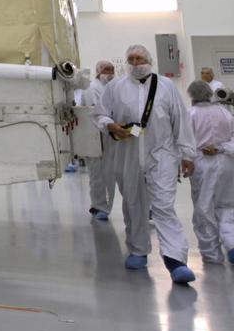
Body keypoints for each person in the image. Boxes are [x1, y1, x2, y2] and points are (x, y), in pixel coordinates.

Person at [95, 44, 197, 283]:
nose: (135, 62)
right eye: (130, 58)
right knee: (134, 204)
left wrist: (187, 154)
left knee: (163, 206)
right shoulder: (115, 87)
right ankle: (138, 250)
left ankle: (175, 260)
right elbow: (99, 113)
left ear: (149, 60)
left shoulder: (166, 86)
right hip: (127, 153)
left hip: (161, 154)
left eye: (139, 58)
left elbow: (180, 120)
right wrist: (110, 125)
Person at [187, 80, 234, 264]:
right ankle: (231, 244)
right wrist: (221, 148)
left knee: (204, 209)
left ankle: (212, 254)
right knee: (227, 206)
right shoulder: (225, 112)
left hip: (202, 164)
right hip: (227, 163)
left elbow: (185, 142)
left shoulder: (190, 114)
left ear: (191, 96)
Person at [84, 60, 116, 221]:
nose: (109, 72)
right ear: (98, 71)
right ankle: (98, 206)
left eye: (112, 70)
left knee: (110, 175)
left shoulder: (113, 87)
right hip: (96, 137)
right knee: (97, 175)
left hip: (111, 135)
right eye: (106, 69)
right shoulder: (92, 88)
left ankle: (107, 206)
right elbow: (95, 112)